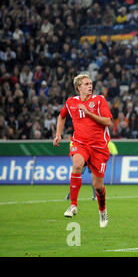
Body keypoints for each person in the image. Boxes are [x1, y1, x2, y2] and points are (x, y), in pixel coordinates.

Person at [53, 74, 113, 228]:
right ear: (79, 87)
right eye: (86, 84)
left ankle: (102, 210)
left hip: (99, 148)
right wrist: (58, 134)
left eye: (91, 83)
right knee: (77, 165)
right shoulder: (71, 102)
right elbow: (61, 117)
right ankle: (73, 205)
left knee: (98, 187)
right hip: (80, 143)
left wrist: (88, 113)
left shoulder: (99, 100)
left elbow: (108, 122)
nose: (90, 86)